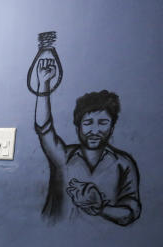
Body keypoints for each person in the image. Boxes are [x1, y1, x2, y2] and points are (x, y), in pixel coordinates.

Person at [34, 58, 141, 226]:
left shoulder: (123, 164)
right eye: (88, 123)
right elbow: (43, 128)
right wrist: (43, 84)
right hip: (54, 242)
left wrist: (100, 208)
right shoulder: (62, 156)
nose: (95, 130)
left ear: (112, 128)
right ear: (78, 127)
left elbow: (131, 212)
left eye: (103, 123)